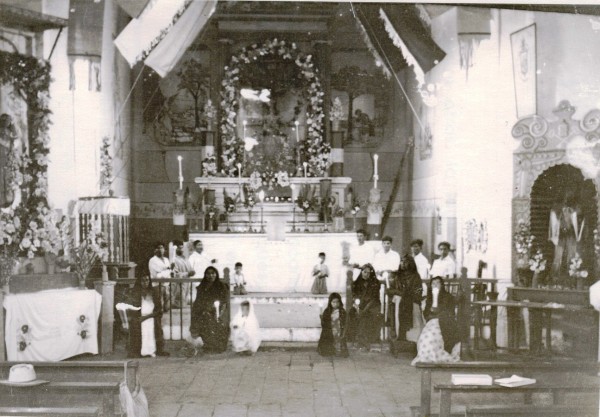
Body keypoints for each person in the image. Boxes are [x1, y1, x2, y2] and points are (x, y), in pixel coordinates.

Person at [411, 276, 460, 364]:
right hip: (432, 321)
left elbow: (450, 312)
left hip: (445, 322)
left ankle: (438, 355)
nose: (435, 285)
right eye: (433, 283)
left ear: (442, 285)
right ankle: (428, 356)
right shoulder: (429, 298)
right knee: (427, 335)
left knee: (435, 335)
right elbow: (426, 313)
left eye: (438, 283)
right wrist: (431, 314)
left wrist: (438, 313)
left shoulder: (448, 297)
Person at [126, 275, 169, 358]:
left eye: (147, 280)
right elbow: (131, 308)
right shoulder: (136, 293)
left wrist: (146, 317)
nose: (145, 283)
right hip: (139, 318)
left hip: (151, 318)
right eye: (143, 281)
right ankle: (140, 351)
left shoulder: (154, 292)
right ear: (139, 282)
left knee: (151, 327)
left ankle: (151, 350)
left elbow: (159, 310)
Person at [190, 266, 230, 353]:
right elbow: (198, 300)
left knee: (214, 322)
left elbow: (224, 302)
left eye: (213, 273)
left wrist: (217, 312)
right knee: (202, 319)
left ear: (216, 274)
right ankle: (208, 346)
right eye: (208, 273)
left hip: (217, 311)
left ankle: (217, 347)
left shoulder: (221, 286)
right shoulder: (202, 286)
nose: (210, 275)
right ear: (205, 275)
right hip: (204, 311)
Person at [387, 255, 423, 341]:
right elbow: (389, 290)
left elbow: (419, 290)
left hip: (412, 301)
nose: (403, 263)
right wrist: (399, 293)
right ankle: (399, 335)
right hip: (399, 301)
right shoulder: (397, 275)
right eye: (402, 261)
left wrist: (410, 296)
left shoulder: (415, 276)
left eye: (405, 261)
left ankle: (411, 339)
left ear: (411, 263)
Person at [549, 191, 583, 283]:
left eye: (568, 199)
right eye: (564, 199)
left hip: (570, 235)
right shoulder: (557, 210)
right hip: (561, 236)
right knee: (558, 256)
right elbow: (554, 223)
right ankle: (554, 277)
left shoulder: (574, 210)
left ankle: (571, 277)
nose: (566, 201)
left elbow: (578, 221)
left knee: (571, 255)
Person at [348, 264, 382, 350]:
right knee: (352, 313)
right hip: (361, 305)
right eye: (364, 272)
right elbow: (355, 297)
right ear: (361, 272)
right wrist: (357, 306)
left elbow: (374, 299)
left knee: (366, 315)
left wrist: (363, 310)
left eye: (368, 272)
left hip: (373, 306)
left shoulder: (375, 283)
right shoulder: (356, 283)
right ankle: (357, 339)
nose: (366, 274)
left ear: (371, 273)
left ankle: (363, 340)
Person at [318, 293, 349, 357]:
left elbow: (345, 322)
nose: (336, 304)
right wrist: (321, 318)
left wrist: (344, 332)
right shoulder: (327, 311)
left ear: (340, 302)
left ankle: (339, 351)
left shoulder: (342, 311)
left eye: (337, 302)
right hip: (330, 330)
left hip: (339, 330)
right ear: (330, 303)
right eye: (333, 302)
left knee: (339, 342)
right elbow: (324, 325)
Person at [148, 242, 172, 311]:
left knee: (166, 307)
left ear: (164, 249)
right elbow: (158, 276)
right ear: (155, 250)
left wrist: (167, 271)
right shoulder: (153, 260)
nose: (160, 250)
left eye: (162, 248)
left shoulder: (166, 260)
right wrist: (168, 270)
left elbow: (168, 272)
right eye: (158, 248)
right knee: (159, 306)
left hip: (166, 285)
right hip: (157, 285)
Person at [172, 240, 195, 307]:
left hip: (187, 285)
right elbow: (175, 274)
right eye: (179, 248)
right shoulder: (174, 260)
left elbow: (190, 269)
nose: (181, 249)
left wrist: (192, 272)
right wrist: (187, 274)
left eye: (182, 248)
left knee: (185, 305)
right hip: (179, 285)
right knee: (179, 306)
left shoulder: (186, 259)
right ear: (175, 249)